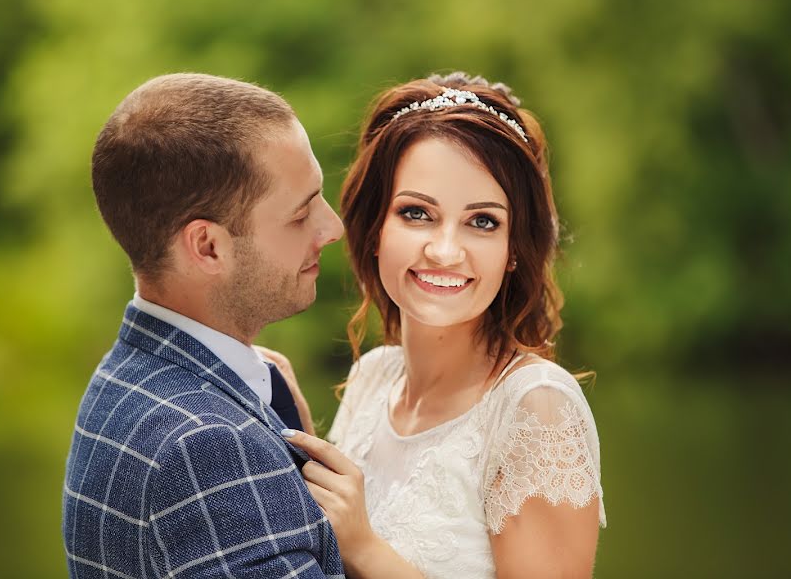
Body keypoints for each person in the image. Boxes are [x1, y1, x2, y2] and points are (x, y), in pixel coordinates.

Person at [283, 72, 607, 578]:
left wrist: (365, 547)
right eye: (416, 213)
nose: (446, 251)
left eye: (482, 221)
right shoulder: (374, 377)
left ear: (514, 251)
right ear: (374, 230)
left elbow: (358, 542)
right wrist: (288, 435)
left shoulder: (535, 409)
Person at [62, 73, 346, 578]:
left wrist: (288, 433)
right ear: (208, 246)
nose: (333, 228)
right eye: (301, 215)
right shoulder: (209, 444)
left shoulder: (123, 378)